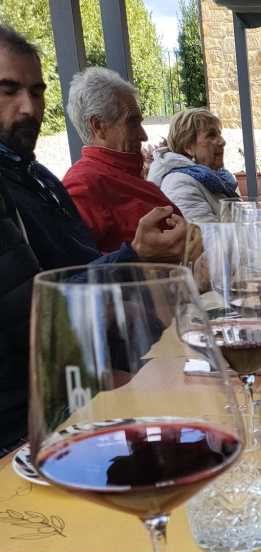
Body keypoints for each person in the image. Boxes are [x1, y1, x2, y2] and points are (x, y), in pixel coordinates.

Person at [0, 24, 186, 452]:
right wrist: (137, 257)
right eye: (8, 90)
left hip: (83, 388)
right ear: (97, 126)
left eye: (37, 91)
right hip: (34, 427)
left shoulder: (38, 177)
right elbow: (40, 316)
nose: (29, 107)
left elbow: (77, 274)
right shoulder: (79, 182)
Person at [62, 65, 182, 251]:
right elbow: (78, 263)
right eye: (132, 122)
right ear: (98, 126)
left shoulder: (120, 175)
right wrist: (139, 256)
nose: (143, 135)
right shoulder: (84, 185)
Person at [147, 107, 238, 222]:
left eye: (219, 134)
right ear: (188, 147)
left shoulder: (216, 179)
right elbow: (204, 232)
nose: (222, 141)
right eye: (211, 135)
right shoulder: (179, 184)